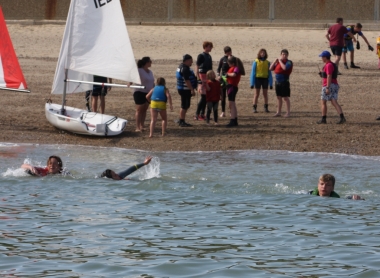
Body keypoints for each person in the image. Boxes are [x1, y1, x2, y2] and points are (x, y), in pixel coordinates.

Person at [316, 51, 346, 124]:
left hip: (329, 85)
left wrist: (327, 87)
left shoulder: (328, 65)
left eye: (322, 57)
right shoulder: (330, 64)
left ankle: (323, 119)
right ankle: (342, 117)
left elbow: (329, 76)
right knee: (334, 101)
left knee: (323, 101)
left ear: (325, 57)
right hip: (334, 84)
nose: (321, 58)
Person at [132, 57, 155, 132]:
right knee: (139, 109)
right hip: (139, 91)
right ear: (146, 62)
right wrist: (130, 82)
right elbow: (133, 76)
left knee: (144, 109)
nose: (151, 62)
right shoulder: (139, 70)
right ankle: (137, 127)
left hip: (148, 92)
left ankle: (142, 125)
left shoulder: (150, 72)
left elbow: (152, 81)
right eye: (150, 61)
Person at [269, 49, 293, 117]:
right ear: (281, 55)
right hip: (278, 82)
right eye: (283, 54)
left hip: (284, 81)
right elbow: (270, 68)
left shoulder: (289, 62)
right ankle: (278, 112)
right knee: (278, 97)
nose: (284, 56)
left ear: (287, 55)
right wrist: (274, 61)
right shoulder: (278, 62)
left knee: (285, 97)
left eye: (285, 55)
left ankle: (288, 112)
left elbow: (284, 68)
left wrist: (280, 61)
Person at [176, 54, 197, 127]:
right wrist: (192, 89)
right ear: (187, 61)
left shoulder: (181, 67)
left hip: (182, 88)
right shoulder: (185, 68)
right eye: (191, 61)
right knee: (185, 105)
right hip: (185, 89)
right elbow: (187, 80)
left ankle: (181, 119)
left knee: (185, 105)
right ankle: (182, 120)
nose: (191, 63)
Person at [250, 48, 273, 113]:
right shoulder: (256, 61)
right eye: (261, 53)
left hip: (265, 79)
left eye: (264, 53)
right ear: (259, 54)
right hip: (258, 79)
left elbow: (270, 73)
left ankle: (266, 107)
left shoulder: (267, 62)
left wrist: (271, 84)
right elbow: (253, 73)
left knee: (265, 94)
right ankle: (254, 107)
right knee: (256, 94)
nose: (262, 54)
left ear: (265, 54)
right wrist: (252, 83)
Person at [195, 41, 213, 121]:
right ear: (205, 47)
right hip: (202, 77)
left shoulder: (209, 56)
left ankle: (202, 113)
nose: (211, 48)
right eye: (209, 47)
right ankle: (197, 114)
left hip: (207, 77)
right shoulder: (201, 56)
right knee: (203, 97)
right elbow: (197, 67)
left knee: (206, 97)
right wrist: (198, 78)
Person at [225, 56, 241, 127]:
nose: (228, 64)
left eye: (229, 63)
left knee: (231, 104)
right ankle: (234, 119)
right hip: (230, 86)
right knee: (232, 104)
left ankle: (233, 119)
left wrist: (227, 74)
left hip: (232, 86)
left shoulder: (236, 68)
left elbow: (234, 74)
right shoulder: (232, 68)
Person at [217, 46, 232, 117]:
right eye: (228, 52)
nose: (229, 53)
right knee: (223, 96)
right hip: (223, 79)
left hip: (230, 79)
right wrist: (218, 75)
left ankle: (231, 111)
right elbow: (218, 69)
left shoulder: (233, 59)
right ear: (225, 52)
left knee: (230, 96)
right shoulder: (222, 59)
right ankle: (223, 111)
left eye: (230, 52)